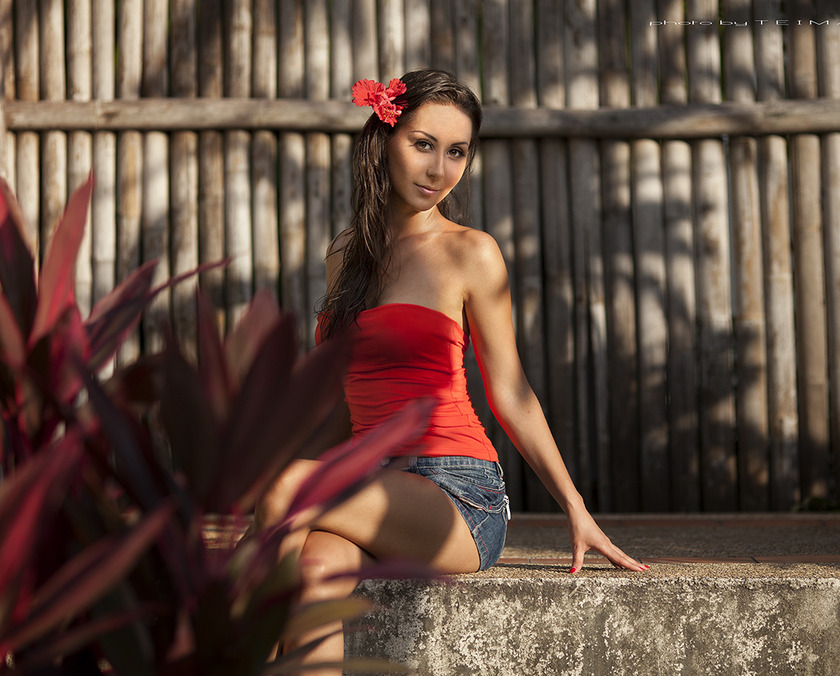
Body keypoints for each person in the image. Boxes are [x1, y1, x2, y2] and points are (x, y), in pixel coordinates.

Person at [252, 68, 649, 674]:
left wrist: (575, 506)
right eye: (423, 144)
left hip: (456, 491)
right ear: (383, 141)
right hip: (366, 482)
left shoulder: (472, 252)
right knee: (313, 569)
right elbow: (341, 400)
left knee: (286, 485)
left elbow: (510, 392)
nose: (439, 170)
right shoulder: (345, 256)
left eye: (457, 151)